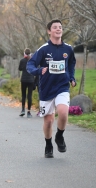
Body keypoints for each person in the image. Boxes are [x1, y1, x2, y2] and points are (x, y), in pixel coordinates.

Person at [27, 19, 76, 158]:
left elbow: (71, 64)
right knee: (48, 121)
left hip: (62, 86)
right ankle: (48, 145)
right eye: (55, 27)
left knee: (63, 112)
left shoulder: (68, 49)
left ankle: (59, 136)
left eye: (60, 27)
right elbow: (30, 65)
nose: (58, 29)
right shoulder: (43, 49)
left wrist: (72, 77)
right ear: (49, 31)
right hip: (46, 88)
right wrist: (39, 70)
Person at [18, 48, 35, 118]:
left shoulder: (22, 60)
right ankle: (28, 111)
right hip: (31, 80)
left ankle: (22, 110)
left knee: (23, 95)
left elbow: (20, 69)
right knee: (29, 96)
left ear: (24, 53)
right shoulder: (32, 61)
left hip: (24, 80)